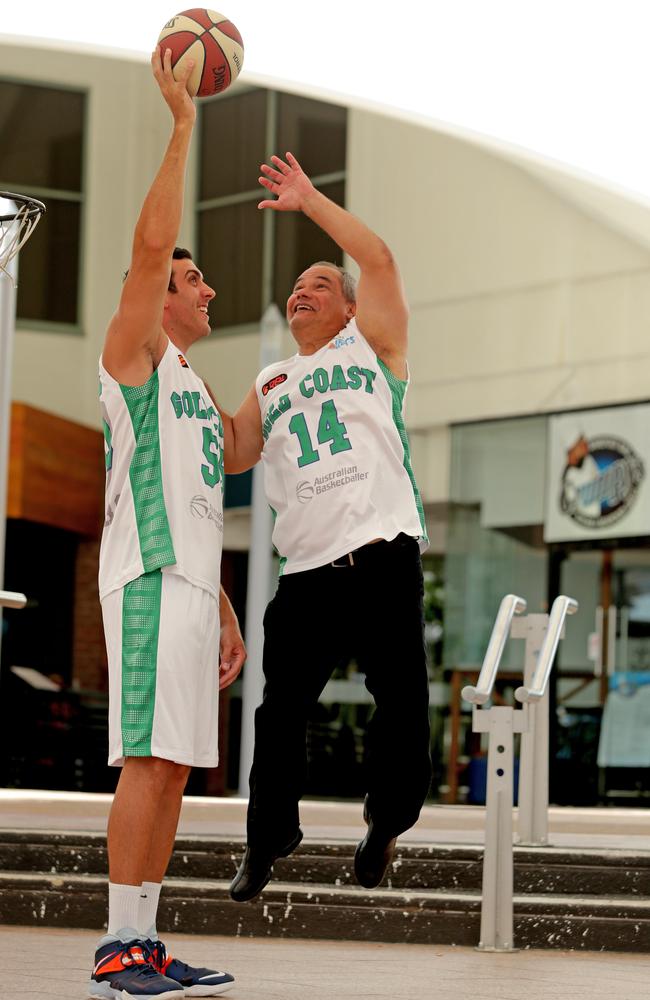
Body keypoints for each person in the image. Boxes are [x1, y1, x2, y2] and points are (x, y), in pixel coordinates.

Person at [218, 151, 432, 903]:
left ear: (347, 308)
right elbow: (235, 447)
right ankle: (268, 837)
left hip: (379, 558)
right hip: (306, 574)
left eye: (319, 284)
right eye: (296, 286)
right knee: (279, 716)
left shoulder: (372, 348)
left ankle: (386, 823)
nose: (301, 291)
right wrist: (172, 365)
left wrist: (308, 199)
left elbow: (377, 258)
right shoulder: (270, 380)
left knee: (401, 705)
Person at [91, 50, 245, 999]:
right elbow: (151, 256)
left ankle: (146, 942)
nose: (207, 291)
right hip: (146, 576)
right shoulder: (135, 360)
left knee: (178, 767)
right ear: (159, 299)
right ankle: (116, 945)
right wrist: (184, 125)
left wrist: (225, 602)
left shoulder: (191, 385)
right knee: (148, 762)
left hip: (189, 583)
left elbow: (213, 475)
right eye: (194, 281)